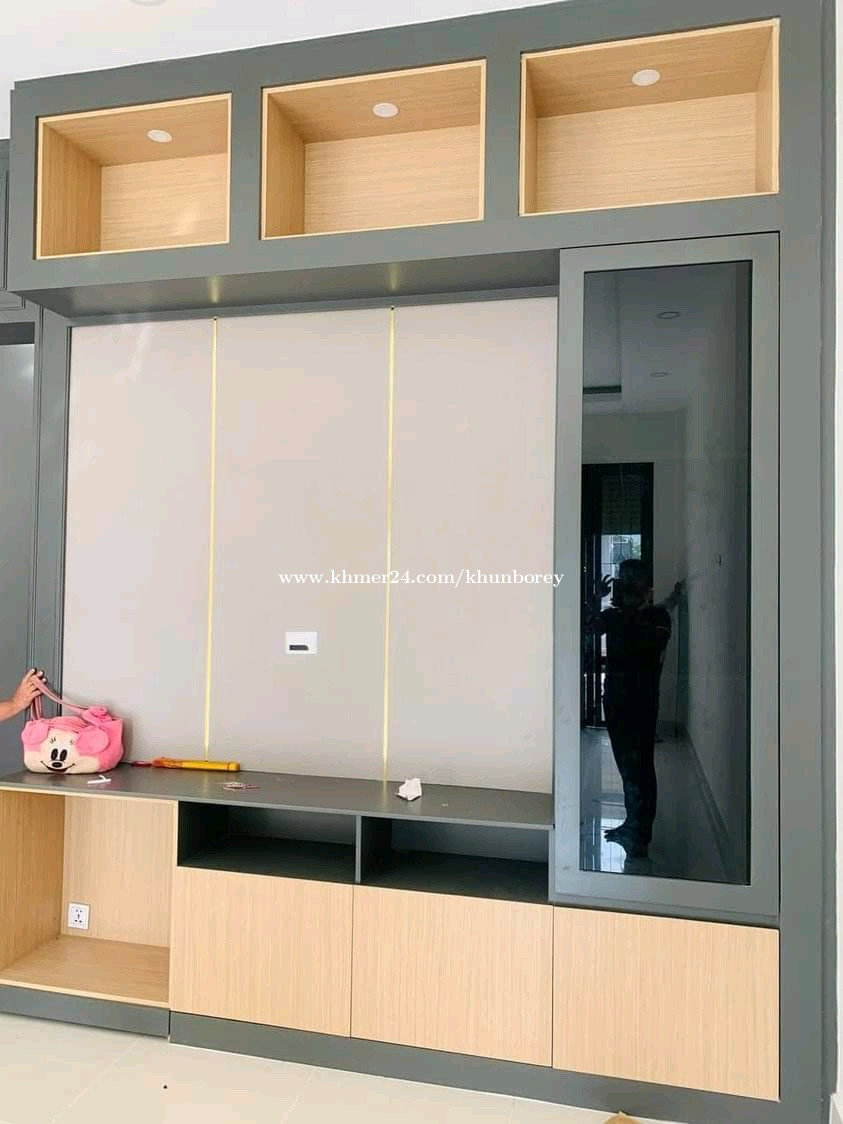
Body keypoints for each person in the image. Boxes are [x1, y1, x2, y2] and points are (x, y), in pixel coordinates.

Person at [586, 560, 682, 858]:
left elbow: (650, 643)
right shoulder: (615, 616)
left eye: (631, 581)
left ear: (644, 588)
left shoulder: (654, 618)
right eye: (623, 581)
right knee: (628, 769)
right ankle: (633, 825)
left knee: (639, 769)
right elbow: (588, 628)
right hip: (616, 702)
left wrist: (631, 610)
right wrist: (595, 600)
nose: (624, 587)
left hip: (640, 704)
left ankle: (640, 835)